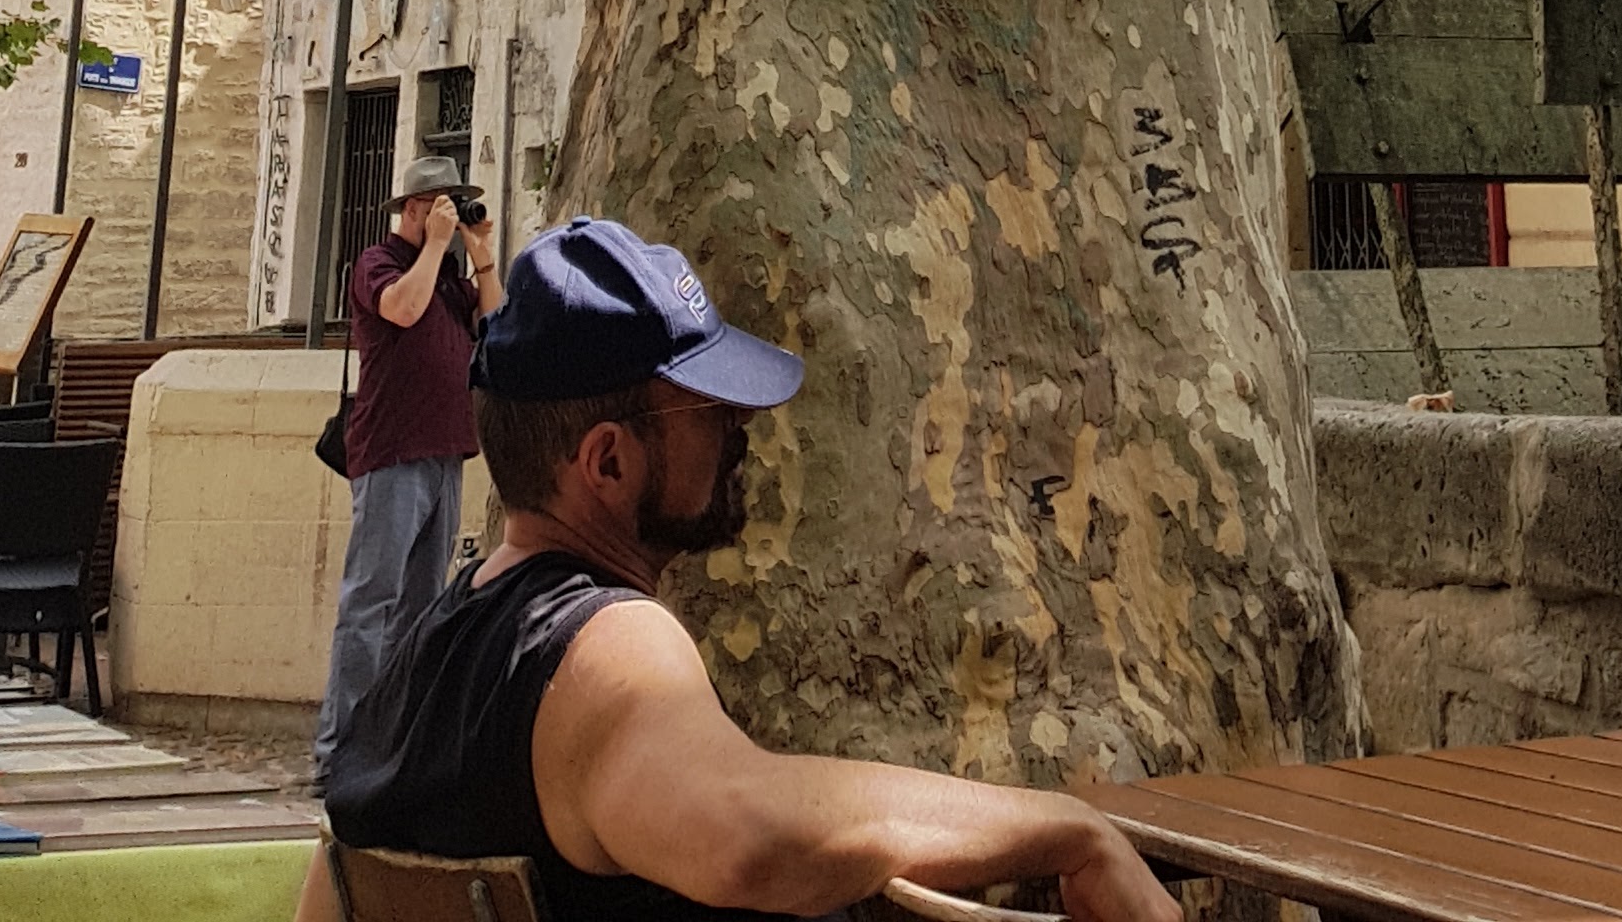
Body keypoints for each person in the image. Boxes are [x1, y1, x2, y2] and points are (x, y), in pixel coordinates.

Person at [306, 217, 1184, 922]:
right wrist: (1071, 829)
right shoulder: (606, 644)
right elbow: (750, 836)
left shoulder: (422, 660)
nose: (744, 429)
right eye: (709, 411)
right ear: (608, 462)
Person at [312, 151, 507, 795]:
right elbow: (401, 309)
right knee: (370, 602)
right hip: (392, 454)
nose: (452, 216)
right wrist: (435, 247)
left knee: (422, 609)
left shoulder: (450, 277)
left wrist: (480, 256)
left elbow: (496, 327)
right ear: (417, 209)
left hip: (446, 454)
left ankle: (393, 747)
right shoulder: (379, 263)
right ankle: (338, 751)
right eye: (444, 205)